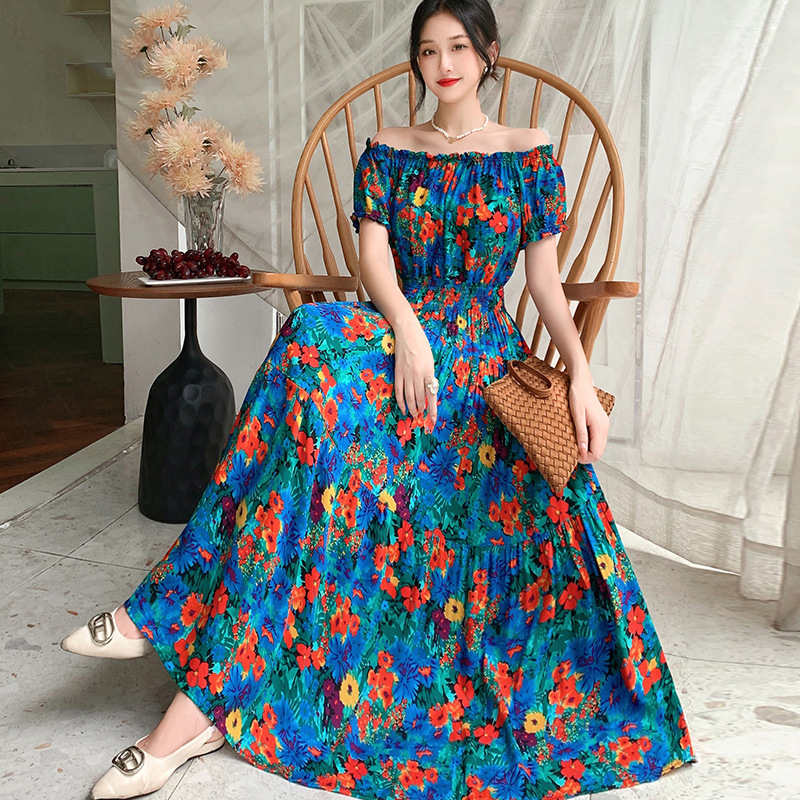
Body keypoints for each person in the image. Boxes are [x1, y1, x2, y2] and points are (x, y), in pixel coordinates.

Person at [61, 0, 696, 797]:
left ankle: (174, 666)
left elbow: (544, 283)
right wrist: (409, 332)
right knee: (311, 342)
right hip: (397, 339)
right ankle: (178, 653)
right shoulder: (389, 150)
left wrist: (577, 380)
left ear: (488, 53)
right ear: (416, 61)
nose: (444, 64)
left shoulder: (530, 153)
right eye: (428, 50)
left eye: (458, 47)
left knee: (314, 459)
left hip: (484, 359)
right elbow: (374, 261)